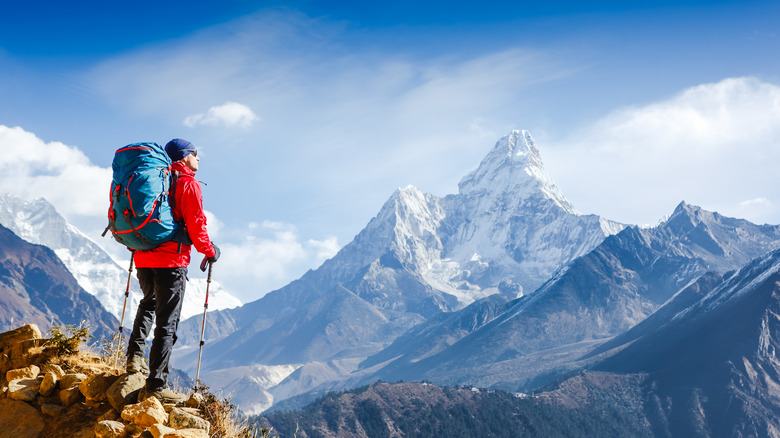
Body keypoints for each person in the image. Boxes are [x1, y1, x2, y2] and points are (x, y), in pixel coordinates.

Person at [125, 138, 220, 403]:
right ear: (185, 155)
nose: (198, 159)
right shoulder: (187, 183)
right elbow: (196, 223)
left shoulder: (156, 178)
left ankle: (133, 359)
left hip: (144, 256)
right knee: (167, 322)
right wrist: (210, 251)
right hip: (171, 261)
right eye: (196, 154)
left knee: (148, 304)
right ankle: (156, 384)